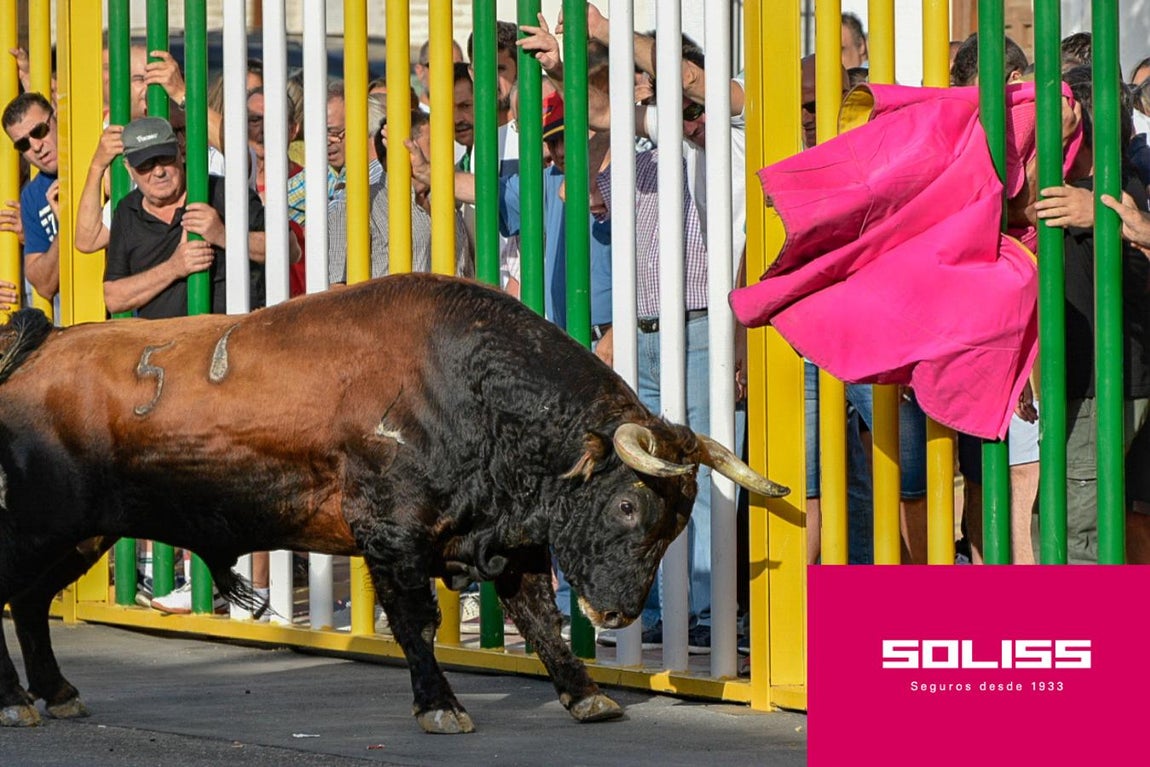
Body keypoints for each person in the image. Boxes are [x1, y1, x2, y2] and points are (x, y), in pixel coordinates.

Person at [1033, 65, 1150, 564]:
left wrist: (1105, 219)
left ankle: (1087, 637)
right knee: (1073, 525)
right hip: (1089, 383)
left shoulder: (1107, 193)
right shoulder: (1089, 189)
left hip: (1102, 386)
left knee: (1074, 535)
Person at [2, 91, 60, 306]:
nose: (36, 146)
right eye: (23, 144)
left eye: (39, 131)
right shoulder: (32, 196)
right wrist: (66, 227)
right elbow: (44, 286)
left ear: (56, 119)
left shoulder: (95, 159)